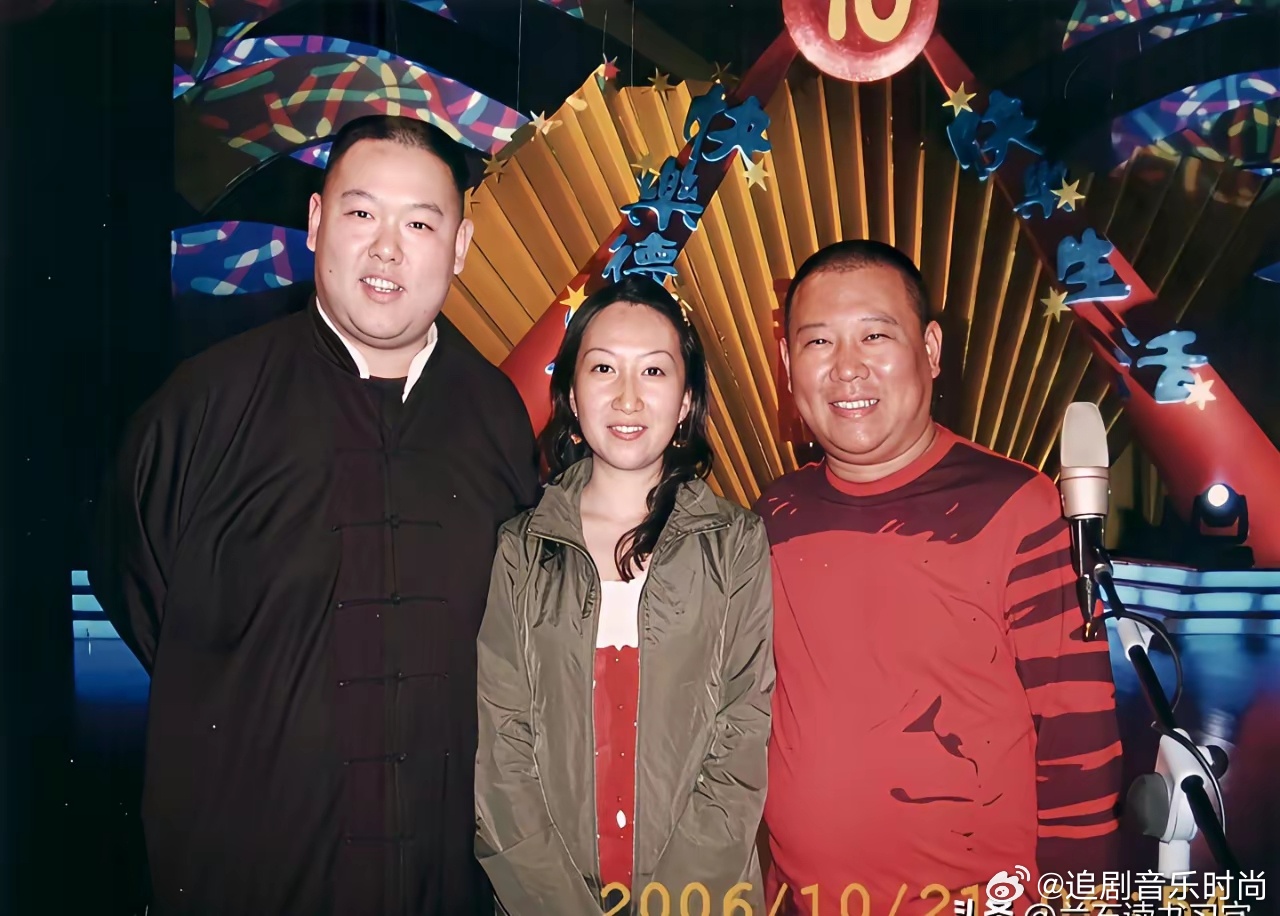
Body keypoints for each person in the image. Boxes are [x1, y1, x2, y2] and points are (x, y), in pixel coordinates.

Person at [90, 114, 540, 915]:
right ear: (316, 221)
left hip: (445, 878)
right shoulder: (204, 406)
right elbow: (137, 587)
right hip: (257, 873)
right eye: (362, 212)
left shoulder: (496, 416)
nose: (387, 249)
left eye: (420, 224)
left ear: (461, 247)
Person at [755, 240, 1123, 914]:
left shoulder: (1016, 505)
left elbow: (1078, 730)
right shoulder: (773, 515)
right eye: (818, 342)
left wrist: (1080, 900)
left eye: (874, 335)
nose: (846, 368)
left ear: (929, 349)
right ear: (787, 363)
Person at [474, 275, 775, 915]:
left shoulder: (737, 544)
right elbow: (502, 750)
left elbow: (741, 740)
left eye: (654, 371)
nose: (629, 397)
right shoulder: (520, 549)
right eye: (604, 368)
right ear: (571, 395)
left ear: (686, 400)